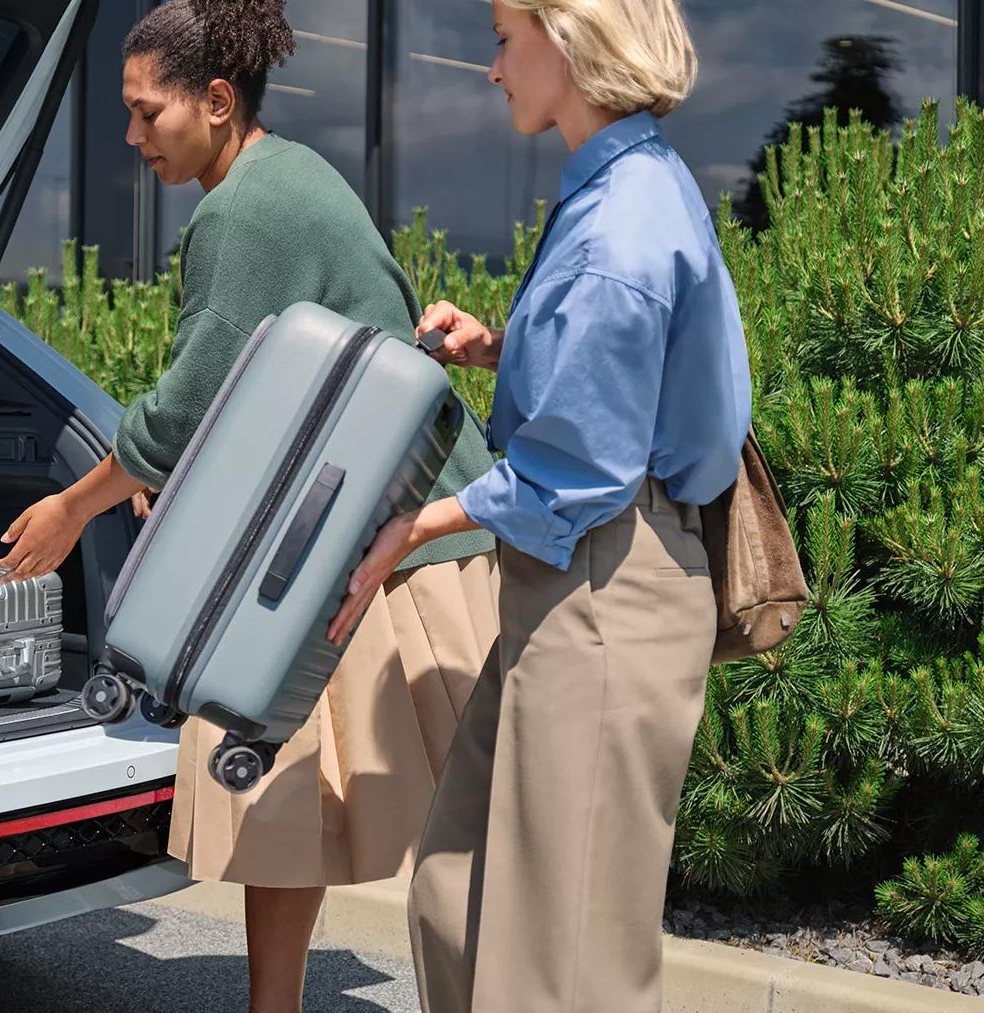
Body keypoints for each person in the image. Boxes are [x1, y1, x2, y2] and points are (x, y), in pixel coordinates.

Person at [0, 2, 501, 1011]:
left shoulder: (244, 210)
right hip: (380, 531)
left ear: (217, 103)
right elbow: (260, 392)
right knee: (294, 796)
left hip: (400, 547)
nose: (133, 137)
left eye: (147, 113)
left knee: (440, 821)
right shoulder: (287, 172)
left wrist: (73, 507)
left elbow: (186, 406)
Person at [326, 0, 751, 1009]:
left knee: (563, 959)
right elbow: (617, 375)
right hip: (589, 572)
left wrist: (419, 524)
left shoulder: (617, 227)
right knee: (458, 886)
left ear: (567, 41)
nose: (490, 67)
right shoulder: (633, 182)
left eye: (502, 36)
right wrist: (503, 346)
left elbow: (580, 466)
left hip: (607, 576)